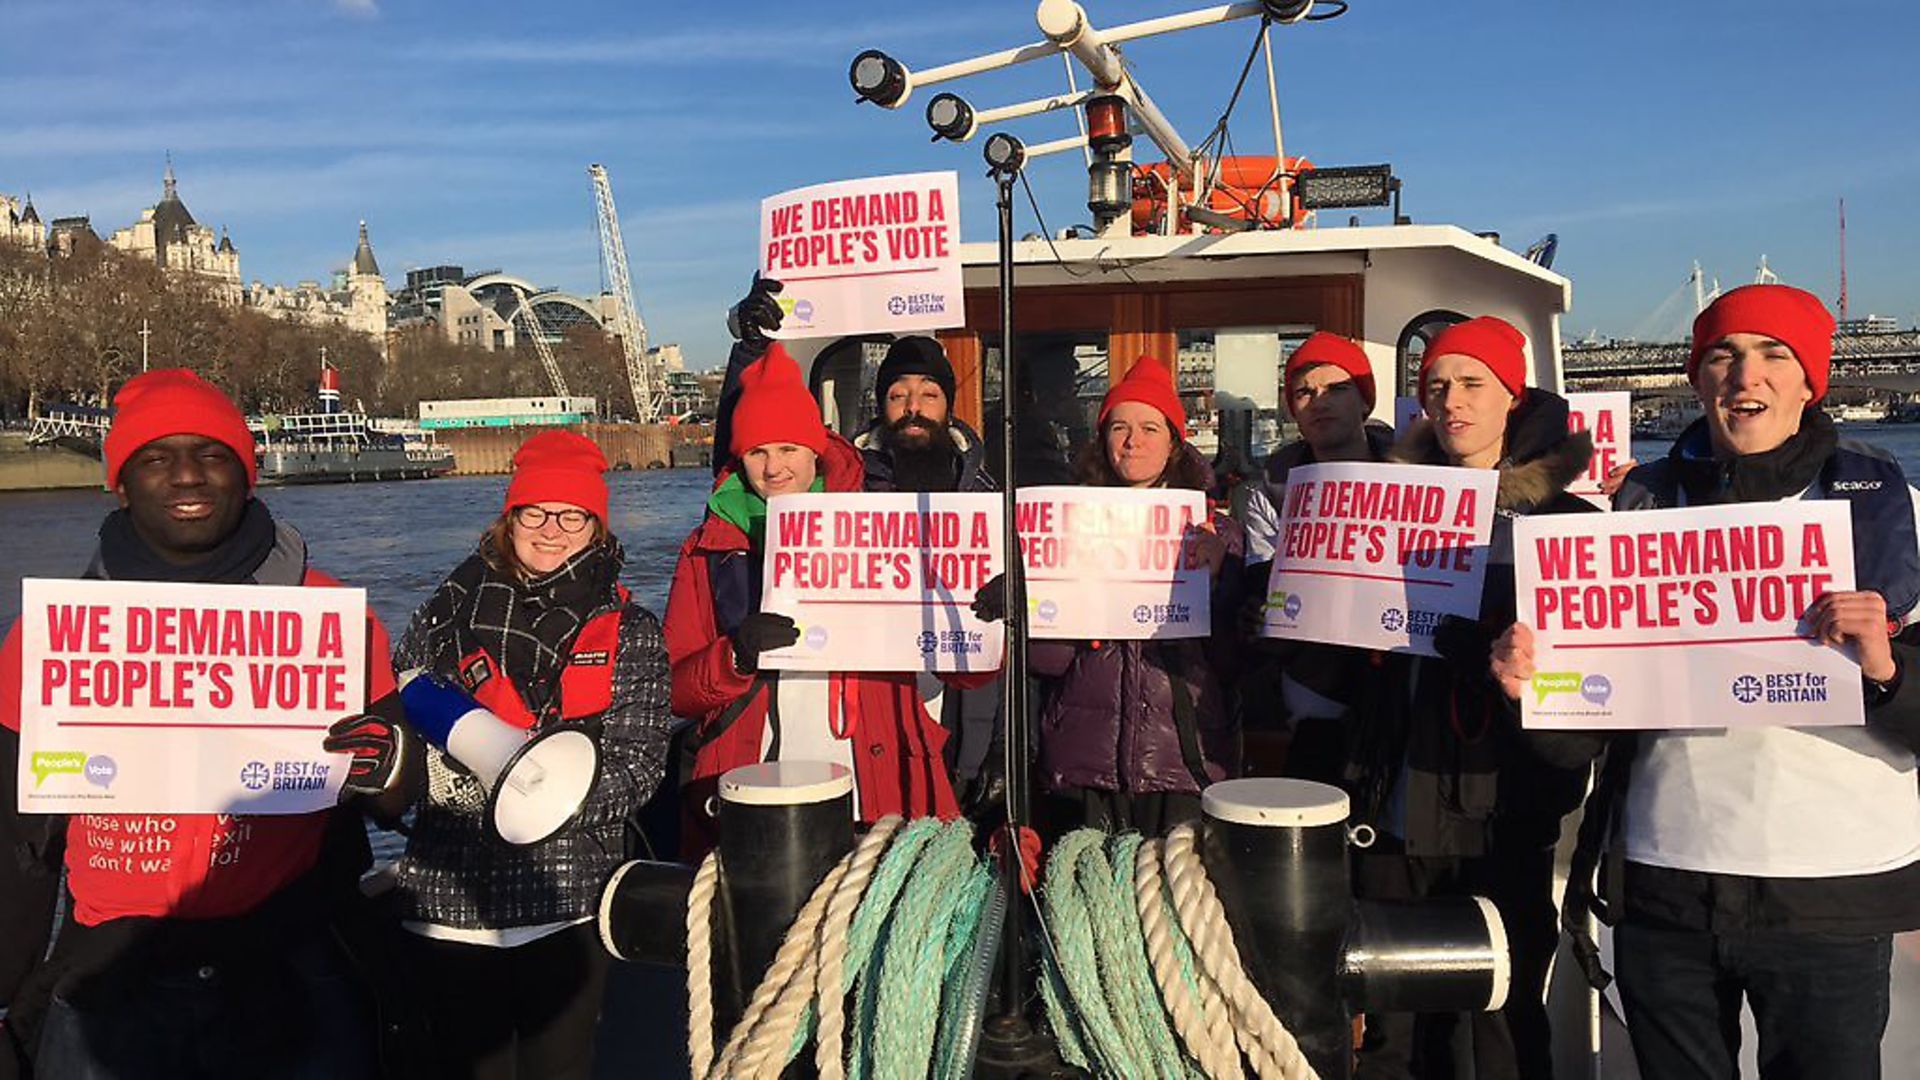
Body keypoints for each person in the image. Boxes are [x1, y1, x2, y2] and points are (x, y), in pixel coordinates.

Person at [1496, 284, 1920, 1080]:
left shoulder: (1902, 515)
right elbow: (1587, 732)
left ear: (1810, 381)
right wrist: (1535, 692)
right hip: (1666, 881)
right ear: (1696, 381)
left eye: (1773, 354)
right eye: (1721, 356)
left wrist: (1890, 669)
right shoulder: (1635, 518)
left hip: (1831, 887)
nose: (1742, 375)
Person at [0, 369, 402, 1078]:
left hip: (287, 971)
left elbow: (401, 800)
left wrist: (392, 763)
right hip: (111, 979)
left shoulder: (331, 617)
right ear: (119, 484)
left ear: (246, 476)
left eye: (213, 454)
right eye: (155, 458)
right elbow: (15, 842)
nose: (188, 475)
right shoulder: (52, 635)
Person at [1312, 317, 1595, 1079]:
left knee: (1500, 1028)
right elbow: (1335, 678)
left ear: (1515, 396)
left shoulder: (1569, 526)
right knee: (1391, 1034)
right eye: (1437, 386)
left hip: (1498, 816)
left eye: (1473, 383)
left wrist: (1488, 657)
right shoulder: (1378, 508)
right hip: (1392, 808)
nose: (1451, 401)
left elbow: (1585, 714)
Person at [344, 429, 670, 1080]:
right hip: (450, 902)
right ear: (510, 519)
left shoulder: (628, 629)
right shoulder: (446, 610)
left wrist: (543, 800)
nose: (552, 530)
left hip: (568, 903)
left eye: (572, 515)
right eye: (534, 512)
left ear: (596, 527)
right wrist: (423, 772)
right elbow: (400, 702)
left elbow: (641, 762)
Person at [665, 345, 984, 852]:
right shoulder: (709, 547)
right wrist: (734, 657)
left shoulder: (881, 524)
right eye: (757, 452)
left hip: (878, 779)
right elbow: (676, 691)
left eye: (789, 448)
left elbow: (968, 671)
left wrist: (983, 621)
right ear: (738, 456)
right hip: (756, 784)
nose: (774, 468)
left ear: (816, 449)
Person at [1025, 356, 1245, 837]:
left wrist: (1218, 583)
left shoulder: (1216, 533)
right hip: (1083, 758)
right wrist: (1042, 601)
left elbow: (1233, 664)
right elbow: (1045, 661)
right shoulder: (1065, 528)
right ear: (1102, 441)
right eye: (1119, 427)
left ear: (1174, 444)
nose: (1133, 441)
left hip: (1183, 761)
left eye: (1150, 427)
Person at [1238, 333, 1397, 780]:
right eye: (1305, 392)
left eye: (1337, 389)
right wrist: (1260, 620)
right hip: (1313, 685)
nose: (1319, 401)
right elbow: (1263, 582)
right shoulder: (1268, 488)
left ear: (1365, 402)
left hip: (1401, 680)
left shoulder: (1417, 476)